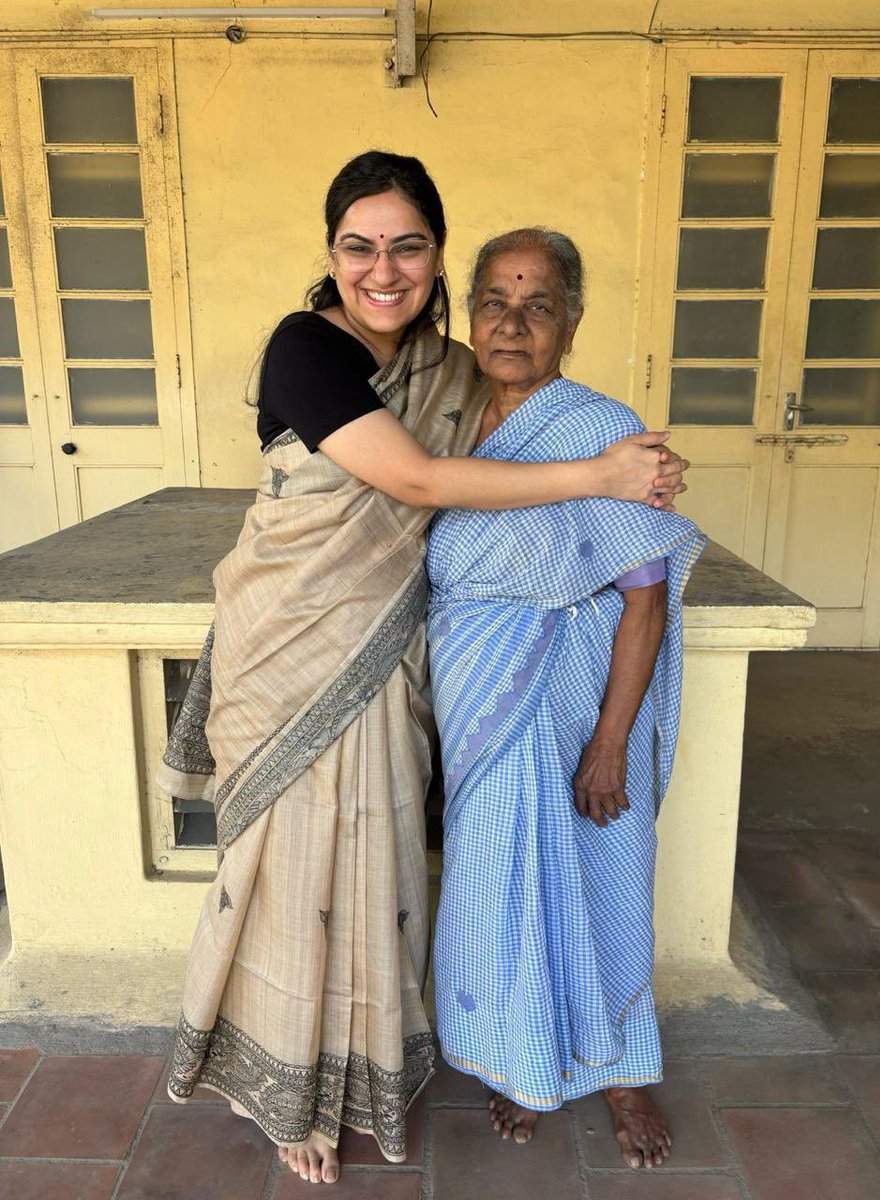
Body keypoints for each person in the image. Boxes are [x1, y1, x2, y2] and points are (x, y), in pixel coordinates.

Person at [158, 153, 690, 1186]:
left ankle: (396, 1072)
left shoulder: (467, 380)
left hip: (424, 681)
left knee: (380, 882)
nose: (383, 267)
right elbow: (411, 478)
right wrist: (605, 470)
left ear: (435, 255)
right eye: (359, 244)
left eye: (408, 244)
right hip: (296, 659)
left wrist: (616, 468)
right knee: (292, 879)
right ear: (331, 255)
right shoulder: (308, 349)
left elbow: (634, 574)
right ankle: (291, 1095)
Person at [427, 227, 705, 1170]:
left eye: (538, 304)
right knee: (496, 885)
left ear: (571, 323)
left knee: (602, 875)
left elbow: (645, 593)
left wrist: (612, 740)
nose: (513, 324)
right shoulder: (441, 420)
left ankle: (623, 1072)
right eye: (495, 303)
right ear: (469, 316)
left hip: (577, 701)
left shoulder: (602, 429)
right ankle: (520, 1056)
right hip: (476, 701)